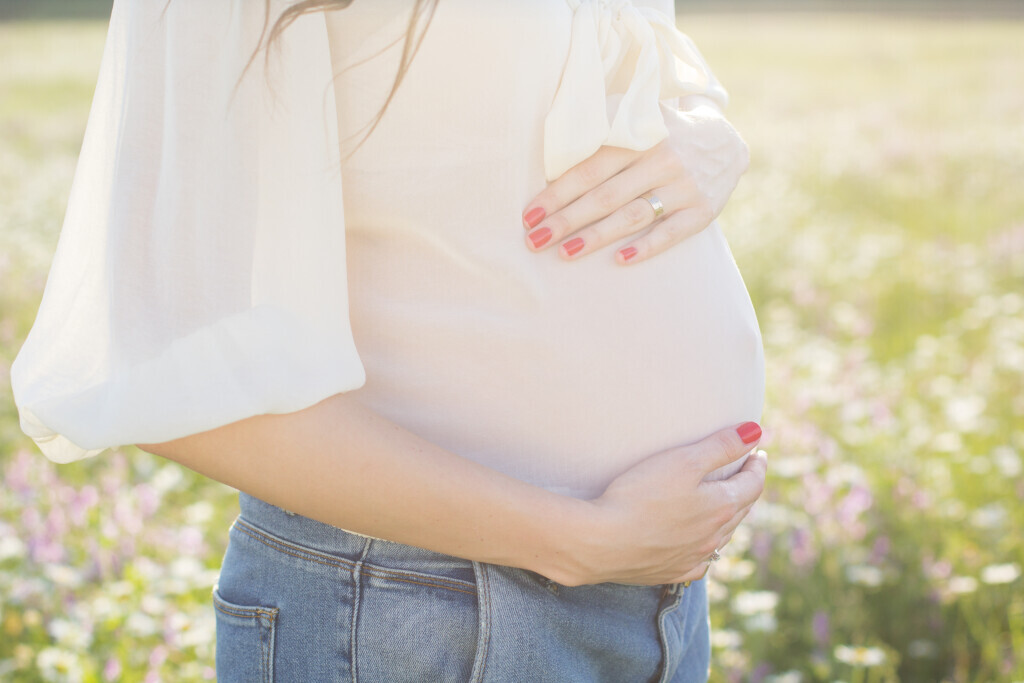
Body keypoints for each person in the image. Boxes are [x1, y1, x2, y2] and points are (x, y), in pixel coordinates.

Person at [10, 0, 767, 680]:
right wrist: (573, 538)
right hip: (418, 611)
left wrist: (702, 126)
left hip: (653, 602)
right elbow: (163, 367)